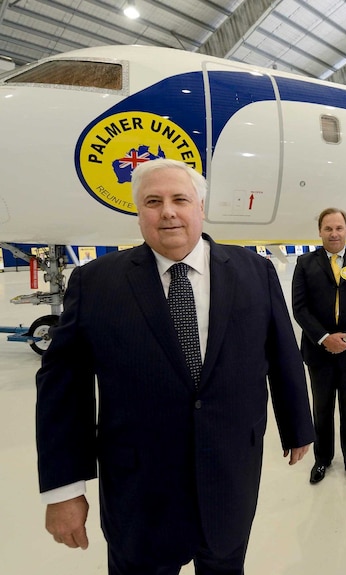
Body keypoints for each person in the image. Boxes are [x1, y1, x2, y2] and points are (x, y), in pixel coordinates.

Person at [35, 159, 314, 574]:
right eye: (153, 201)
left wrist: (297, 426)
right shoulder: (95, 283)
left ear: (199, 207)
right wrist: (63, 488)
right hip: (140, 492)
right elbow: (63, 387)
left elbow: (283, 353)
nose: (167, 211)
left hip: (230, 476)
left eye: (179, 199)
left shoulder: (255, 272)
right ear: (139, 213)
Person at [292, 208, 346, 490]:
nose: (334, 233)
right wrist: (324, 337)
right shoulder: (305, 263)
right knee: (322, 409)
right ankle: (323, 459)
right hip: (320, 353)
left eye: (339, 228)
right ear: (319, 231)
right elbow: (300, 307)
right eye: (328, 228)